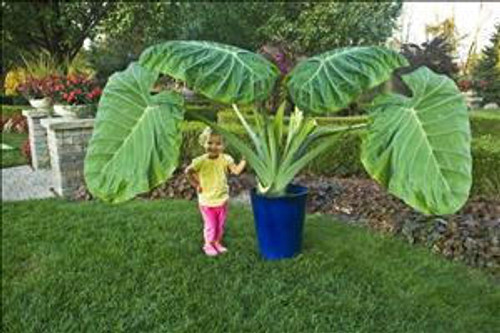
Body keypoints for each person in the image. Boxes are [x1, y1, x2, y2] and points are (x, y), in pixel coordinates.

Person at [185, 127, 246, 256]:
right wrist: (196, 184)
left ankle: (217, 242)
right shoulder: (200, 161)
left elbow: (235, 171)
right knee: (211, 225)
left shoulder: (225, 159)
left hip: (222, 199)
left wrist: (244, 160)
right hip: (207, 201)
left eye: (218, 144)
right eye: (210, 143)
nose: (213, 146)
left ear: (223, 145)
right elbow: (188, 172)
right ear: (203, 143)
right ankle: (208, 244)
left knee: (220, 225)